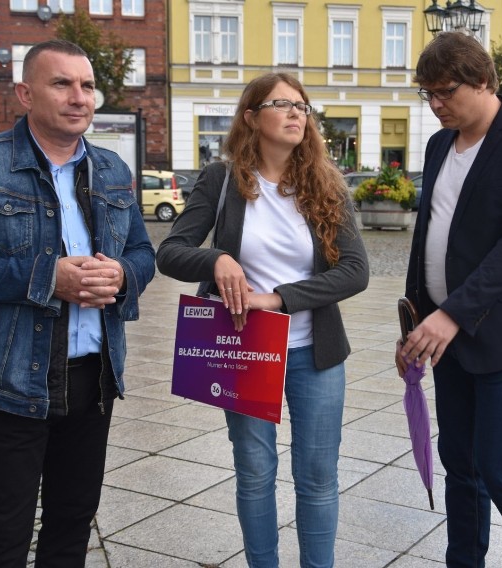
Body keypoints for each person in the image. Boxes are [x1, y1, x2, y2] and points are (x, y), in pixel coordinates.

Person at [0, 39, 155, 567]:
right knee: (4, 534)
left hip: (94, 377)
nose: (79, 97)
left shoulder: (113, 171)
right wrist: (46, 277)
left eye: (87, 85)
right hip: (12, 379)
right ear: (26, 93)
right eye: (62, 83)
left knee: (71, 524)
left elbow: (143, 252)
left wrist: (122, 274)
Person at [156, 72, 369, 567]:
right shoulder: (222, 179)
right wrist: (216, 261)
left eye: (303, 106)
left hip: (315, 353)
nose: (297, 113)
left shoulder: (325, 184)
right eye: (282, 104)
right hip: (245, 349)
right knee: (254, 471)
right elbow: (169, 252)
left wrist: (278, 299)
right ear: (251, 117)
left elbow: (355, 271)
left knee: (317, 478)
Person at [395, 32, 502, 567]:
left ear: (485, 80)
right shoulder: (438, 144)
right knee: (460, 462)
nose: (435, 104)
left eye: (444, 91)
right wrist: (414, 322)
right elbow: (427, 236)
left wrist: (452, 315)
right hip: (443, 333)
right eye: (427, 94)